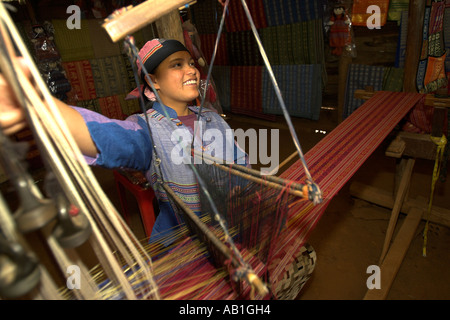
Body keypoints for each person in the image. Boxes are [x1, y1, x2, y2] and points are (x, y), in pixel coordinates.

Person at [0, 38, 248, 243]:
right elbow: (107, 137)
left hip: (232, 229)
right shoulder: (149, 129)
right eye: (177, 64)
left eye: (191, 63)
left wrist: (238, 187)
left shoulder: (212, 120)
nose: (192, 69)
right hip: (186, 245)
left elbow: (241, 164)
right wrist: (36, 105)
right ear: (153, 82)